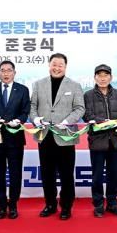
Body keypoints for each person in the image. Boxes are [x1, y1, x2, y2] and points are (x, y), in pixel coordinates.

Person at [30, 53, 85, 220]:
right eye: (54, 64)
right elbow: (32, 107)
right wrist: (35, 119)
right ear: (49, 65)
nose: (57, 68)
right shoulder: (38, 84)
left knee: (67, 174)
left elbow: (80, 108)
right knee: (47, 174)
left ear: (65, 67)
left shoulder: (74, 85)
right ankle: (50, 204)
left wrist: (68, 121)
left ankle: (66, 206)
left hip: (65, 136)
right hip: (45, 135)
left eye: (60, 65)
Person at [0, 60, 31, 219]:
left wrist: (19, 120)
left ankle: (13, 204)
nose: (6, 73)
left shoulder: (22, 90)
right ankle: (1, 206)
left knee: (15, 173)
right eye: (2, 70)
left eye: (9, 70)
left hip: (15, 138)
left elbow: (25, 111)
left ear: (14, 73)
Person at [83, 64, 117, 218]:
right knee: (97, 175)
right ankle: (98, 204)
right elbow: (87, 115)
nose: (103, 78)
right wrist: (105, 122)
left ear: (111, 77)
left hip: (115, 140)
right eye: (99, 75)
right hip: (97, 141)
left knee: (113, 174)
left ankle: (112, 203)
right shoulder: (88, 95)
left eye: (106, 75)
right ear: (95, 78)